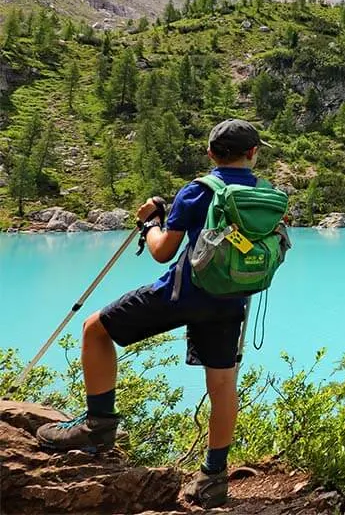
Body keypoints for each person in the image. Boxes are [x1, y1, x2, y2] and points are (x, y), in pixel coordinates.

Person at [37, 119, 270, 508]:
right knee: (223, 384)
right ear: (253, 153)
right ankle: (213, 478)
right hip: (233, 300)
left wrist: (151, 222)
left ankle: (97, 426)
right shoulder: (264, 194)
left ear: (211, 154)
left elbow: (162, 251)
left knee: (95, 328)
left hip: (182, 294)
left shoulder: (199, 190)